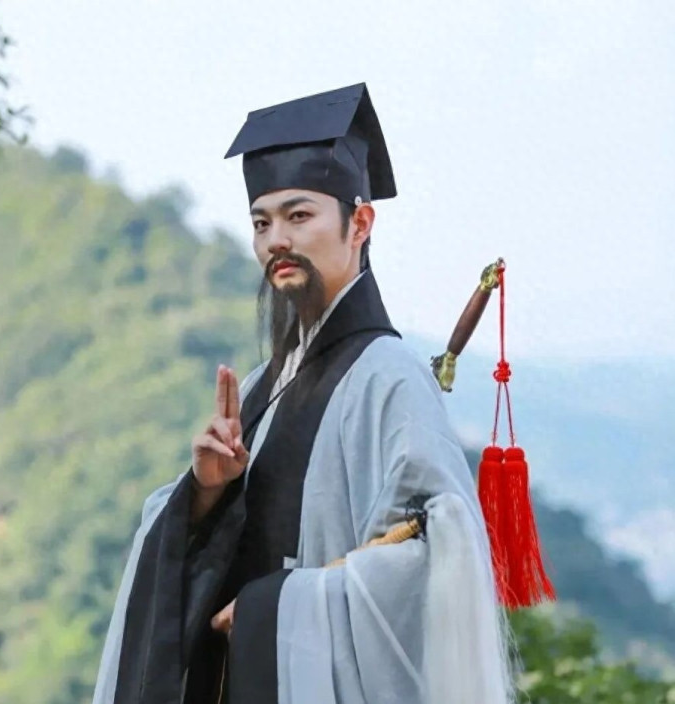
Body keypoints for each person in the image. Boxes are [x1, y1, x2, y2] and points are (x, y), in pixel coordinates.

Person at [92, 83, 513, 704]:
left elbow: (431, 560)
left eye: (298, 216)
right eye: (261, 223)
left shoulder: (391, 378)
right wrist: (205, 493)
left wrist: (278, 610)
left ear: (359, 223)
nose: (276, 241)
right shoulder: (263, 384)